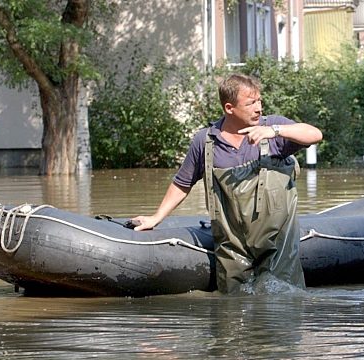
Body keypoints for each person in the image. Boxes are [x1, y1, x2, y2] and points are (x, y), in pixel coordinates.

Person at [132, 73, 323, 294]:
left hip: (277, 244)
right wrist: (156, 217)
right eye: (251, 103)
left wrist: (275, 131)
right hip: (232, 248)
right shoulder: (205, 141)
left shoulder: (272, 128)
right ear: (229, 108)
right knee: (235, 310)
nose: (259, 108)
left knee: (281, 304)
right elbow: (182, 183)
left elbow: (314, 134)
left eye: (260, 101)